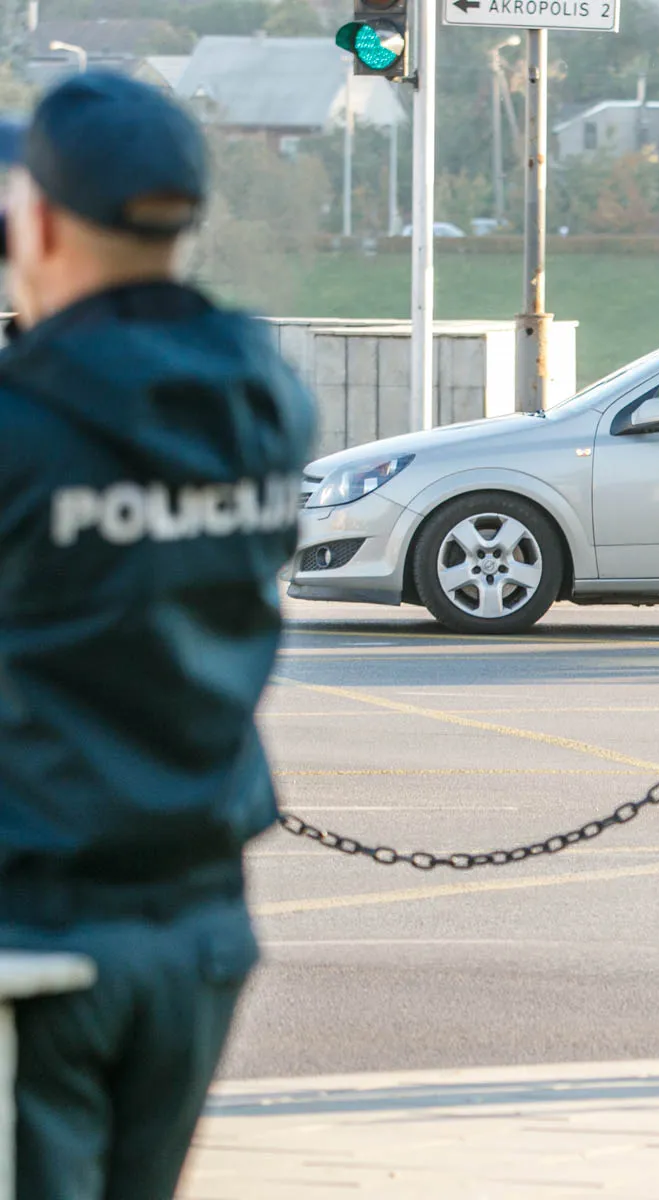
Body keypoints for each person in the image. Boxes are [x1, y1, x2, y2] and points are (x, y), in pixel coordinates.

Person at [0, 73, 315, 1197]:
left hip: (37, 932)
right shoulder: (264, 396)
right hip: (199, 924)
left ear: (39, 224)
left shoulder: (25, 424)